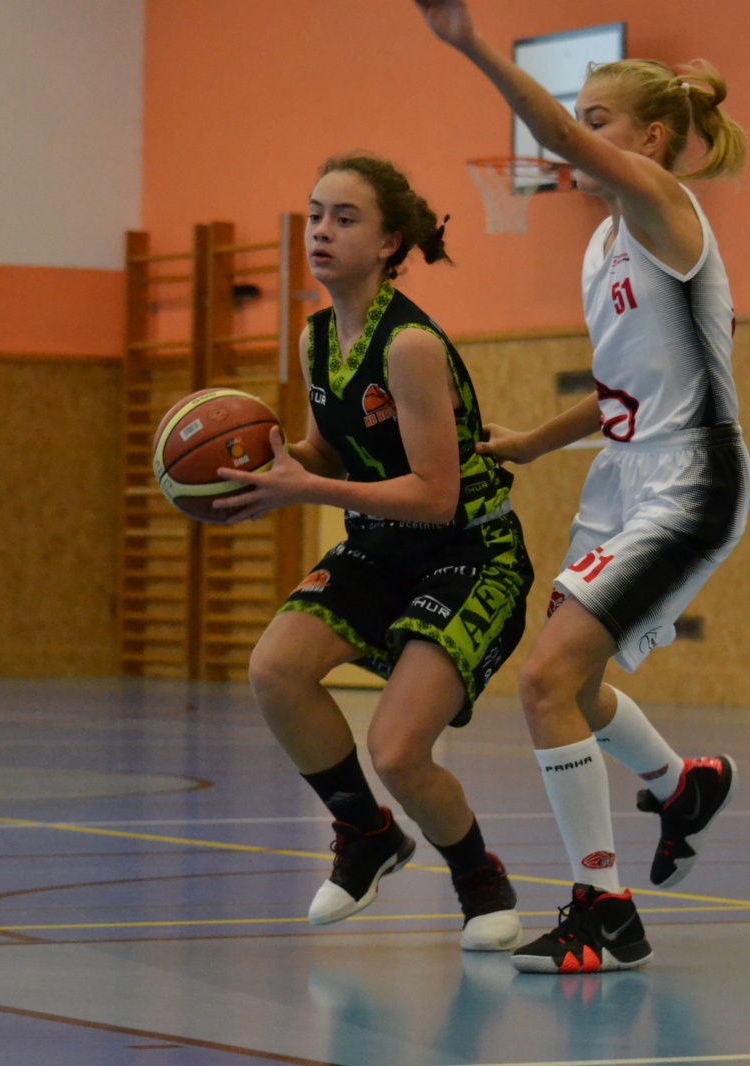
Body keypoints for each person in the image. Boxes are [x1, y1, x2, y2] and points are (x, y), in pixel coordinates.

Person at [416, 0, 750, 973]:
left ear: (650, 140)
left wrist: (469, 42)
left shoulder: (661, 206)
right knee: (579, 683)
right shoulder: (603, 246)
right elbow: (620, 392)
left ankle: (604, 908)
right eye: (581, 120)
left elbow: (556, 137)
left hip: (689, 475)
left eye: (597, 120)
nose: (575, 134)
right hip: (623, 474)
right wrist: (534, 440)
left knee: (544, 680)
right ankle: (681, 784)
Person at [213, 152, 534, 952]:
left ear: (390, 242)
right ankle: (365, 834)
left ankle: (480, 880)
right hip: (380, 547)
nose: (321, 230)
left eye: (345, 218)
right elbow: (326, 451)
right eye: (316, 214)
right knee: (275, 671)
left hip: (467, 551)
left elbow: (436, 494)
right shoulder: (317, 337)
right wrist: (257, 471)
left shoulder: (410, 345)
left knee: (397, 748)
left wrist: (305, 490)